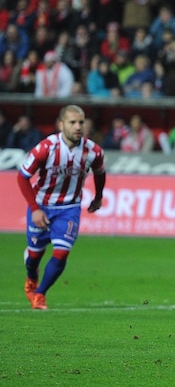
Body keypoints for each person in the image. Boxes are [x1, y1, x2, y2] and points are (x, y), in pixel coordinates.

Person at [17, 105, 106, 310]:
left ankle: (39, 294)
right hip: (41, 206)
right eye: (72, 122)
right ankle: (31, 277)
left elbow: (100, 173)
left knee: (62, 251)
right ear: (61, 124)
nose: (77, 127)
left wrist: (99, 197)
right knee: (33, 257)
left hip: (69, 207)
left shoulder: (93, 151)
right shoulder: (46, 148)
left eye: (81, 122)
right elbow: (22, 177)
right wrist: (35, 208)